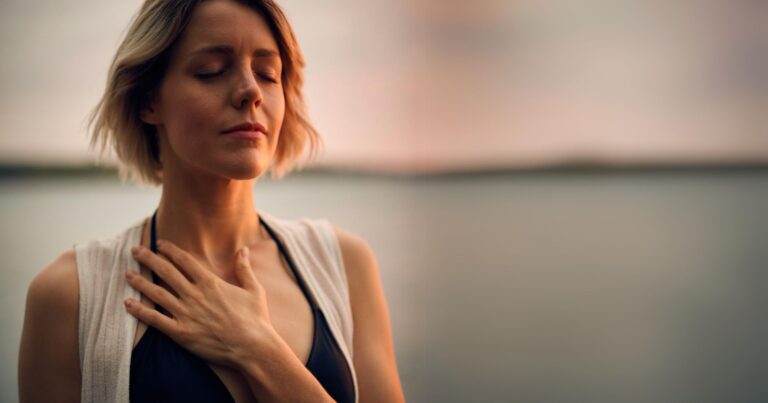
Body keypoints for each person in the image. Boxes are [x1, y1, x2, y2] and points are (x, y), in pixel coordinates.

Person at [17, 1, 405, 402]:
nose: (250, 91)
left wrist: (257, 349)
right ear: (149, 100)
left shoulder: (344, 265)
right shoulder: (70, 296)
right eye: (212, 71)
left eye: (268, 74)